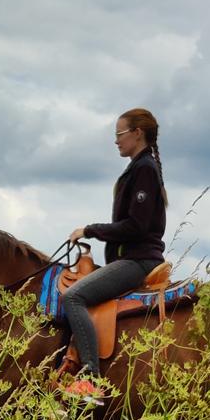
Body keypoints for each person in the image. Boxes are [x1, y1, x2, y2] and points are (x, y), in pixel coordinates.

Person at [60, 107, 168, 404]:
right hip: (128, 259)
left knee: (74, 297)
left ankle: (90, 377)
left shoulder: (144, 168)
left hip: (138, 261)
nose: (116, 141)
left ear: (137, 133)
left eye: (119, 134)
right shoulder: (139, 166)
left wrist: (90, 230)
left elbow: (137, 225)